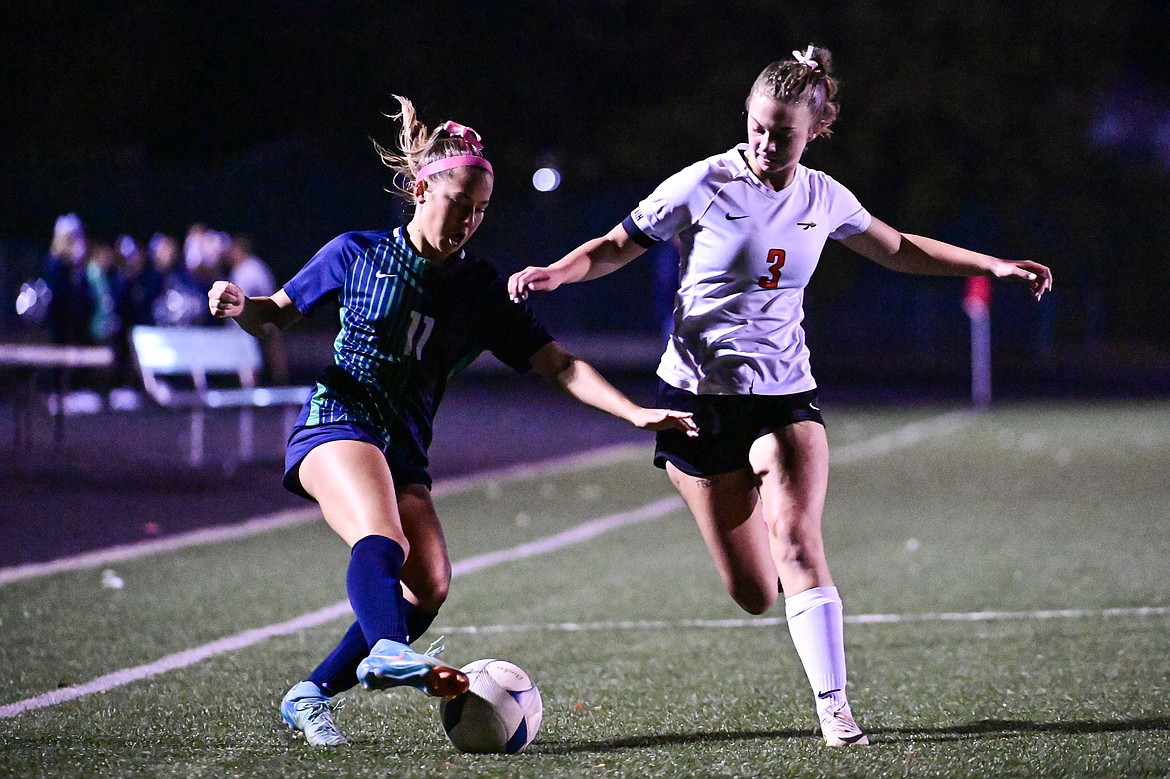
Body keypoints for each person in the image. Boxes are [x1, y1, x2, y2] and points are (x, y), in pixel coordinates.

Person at [508, 45, 1053, 747]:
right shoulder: (703, 182)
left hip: (785, 395)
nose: (767, 142)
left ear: (815, 130)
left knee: (797, 539)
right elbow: (617, 244)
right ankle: (769, 557)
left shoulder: (824, 197)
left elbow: (898, 247)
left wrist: (993, 263)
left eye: (784, 132)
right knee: (754, 590)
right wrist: (557, 272)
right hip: (694, 405)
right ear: (747, 114)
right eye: (760, 126)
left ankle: (835, 708)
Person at [207, 95, 697, 748]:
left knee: (429, 583)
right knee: (383, 537)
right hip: (338, 421)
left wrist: (633, 409)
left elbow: (557, 363)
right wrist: (242, 305)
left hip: (403, 449)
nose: (469, 218)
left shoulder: (478, 290)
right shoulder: (355, 253)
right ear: (421, 189)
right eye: (459, 200)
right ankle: (384, 649)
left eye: (482, 208)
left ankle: (310, 693)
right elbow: (275, 313)